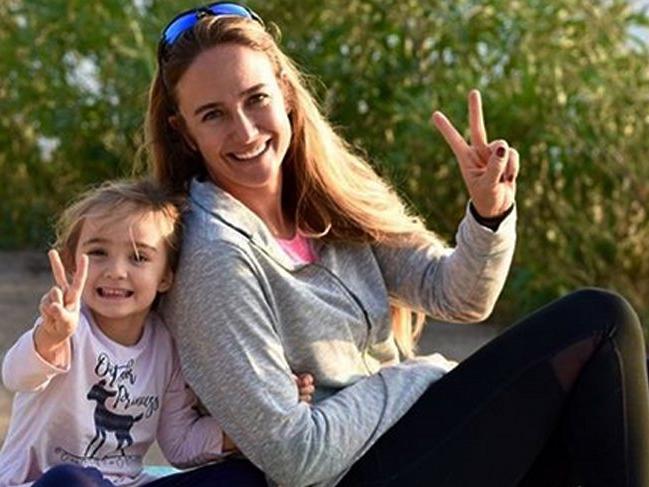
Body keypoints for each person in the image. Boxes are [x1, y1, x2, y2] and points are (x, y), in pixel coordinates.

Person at [144, 3, 649, 486]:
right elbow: (294, 456)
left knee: (595, 381)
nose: (245, 131)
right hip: (351, 475)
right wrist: (418, 376)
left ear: (286, 94)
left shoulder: (328, 199)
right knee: (598, 321)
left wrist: (488, 214)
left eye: (256, 99)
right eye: (213, 115)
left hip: (415, 444)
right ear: (184, 133)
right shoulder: (214, 258)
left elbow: (459, 296)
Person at [0, 178, 314, 487]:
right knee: (72, 480)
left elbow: (181, 443)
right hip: (45, 482)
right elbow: (16, 376)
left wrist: (266, 411)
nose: (116, 271)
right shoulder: (67, 326)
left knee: (245, 478)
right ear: (71, 264)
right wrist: (50, 338)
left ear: (166, 276)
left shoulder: (165, 344)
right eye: (98, 252)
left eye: (139, 257)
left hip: (128, 482)